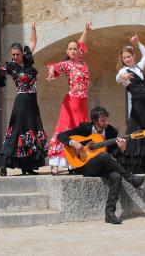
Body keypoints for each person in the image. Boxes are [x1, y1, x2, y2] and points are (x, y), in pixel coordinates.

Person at [57, 106, 145, 224]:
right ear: (95, 121)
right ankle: (130, 178)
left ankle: (109, 213)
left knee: (116, 176)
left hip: (102, 166)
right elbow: (60, 135)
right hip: (83, 166)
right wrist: (73, 143)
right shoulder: (85, 128)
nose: (106, 122)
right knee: (103, 156)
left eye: (106, 119)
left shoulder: (111, 131)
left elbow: (114, 156)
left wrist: (122, 149)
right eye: (103, 120)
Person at [0, 23, 48, 177]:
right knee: (16, 132)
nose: (14, 57)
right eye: (13, 54)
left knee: (32, 131)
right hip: (21, 102)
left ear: (21, 53)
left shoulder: (27, 59)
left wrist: (33, 29)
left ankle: (28, 167)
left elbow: (32, 43)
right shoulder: (11, 67)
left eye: (17, 54)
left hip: (32, 102)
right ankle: (4, 165)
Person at [46, 22, 92, 175]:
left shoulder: (83, 61)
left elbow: (82, 42)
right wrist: (52, 72)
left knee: (79, 133)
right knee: (63, 130)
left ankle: (75, 163)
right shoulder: (67, 64)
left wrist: (85, 29)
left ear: (79, 51)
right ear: (67, 51)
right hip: (71, 102)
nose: (73, 50)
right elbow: (54, 65)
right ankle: (55, 164)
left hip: (83, 103)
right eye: (70, 49)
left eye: (75, 48)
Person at [115, 34, 145, 174]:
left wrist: (139, 42)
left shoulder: (140, 67)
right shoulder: (123, 71)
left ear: (133, 56)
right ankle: (132, 163)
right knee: (136, 131)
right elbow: (118, 78)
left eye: (128, 56)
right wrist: (121, 77)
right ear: (122, 60)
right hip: (138, 106)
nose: (127, 59)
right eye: (124, 58)